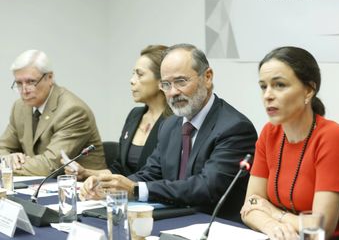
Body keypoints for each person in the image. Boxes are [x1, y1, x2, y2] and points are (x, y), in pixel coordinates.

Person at [79, 43, 257, 221]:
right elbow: (151, 173)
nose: (172, 92)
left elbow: (207, 187)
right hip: (173, 218)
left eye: (181, 82)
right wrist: (111, 186)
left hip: (212, 224)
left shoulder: (234, 128)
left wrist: (134, 189)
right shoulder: (170, 125)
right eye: (166, 84)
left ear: (208, 77)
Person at [241, 46, 339, 239]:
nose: (267, 95)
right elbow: (250, 205)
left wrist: (273, 213)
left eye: (279, 85)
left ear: (308, 90)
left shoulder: (332, 137)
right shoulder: (269, 134)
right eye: (263, 86)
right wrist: (272, 226)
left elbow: (320, 230)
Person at [65, 45, 172, 180]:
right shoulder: (135, 115)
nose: (132, 80)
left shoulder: (174, 121)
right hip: (122, 196)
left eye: (140, 74)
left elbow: (159, 175)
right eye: (133, 74)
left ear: (161, 81)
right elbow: (119, 169)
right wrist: (86, 173)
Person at [0, 50, 106, 176]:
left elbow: (50, 166)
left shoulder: (73, 110)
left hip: (82, 189)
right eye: (19, 83)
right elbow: (3, 148)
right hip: (38, 186)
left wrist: (8, 166)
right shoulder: (20, 107)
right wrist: (9, 158)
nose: (24, 90)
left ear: (49, 78)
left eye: (31, 82)